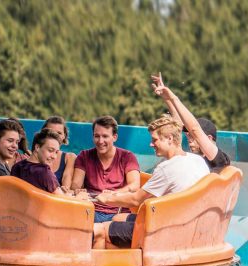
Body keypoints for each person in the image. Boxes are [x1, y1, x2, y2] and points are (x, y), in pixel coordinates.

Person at [92, 115, 210, 249]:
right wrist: (114, 195)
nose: (151, 144)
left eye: (155, 140)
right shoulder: (197, 160)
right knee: (117, 218)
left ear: (169, 139)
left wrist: (106, 199)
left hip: (165, 231)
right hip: (189, 225)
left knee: (99, 230)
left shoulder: (166, 168)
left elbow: (136, 200)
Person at [150, 73, 231, 172]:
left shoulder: (219, 160)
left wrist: (173, 98)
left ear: (209, 138)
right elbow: (178, 123)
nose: (188, 138)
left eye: (191, 136)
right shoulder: (195, 159)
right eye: (188, 135)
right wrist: (167, 98)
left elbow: (195, 129)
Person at [70, 116, 140, 222]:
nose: (100, 141)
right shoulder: (84, 156)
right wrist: (78, 191)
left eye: (105, 136)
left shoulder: (127, 156)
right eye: (96, 136)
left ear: (114, 137)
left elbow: (134, 186)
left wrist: (113, 194)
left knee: (139, 223)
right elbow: (75, 184)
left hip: (119, 212)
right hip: (90, 210)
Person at [11, 128, 84, 197]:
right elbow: (62, 201)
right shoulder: (44, 172)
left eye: (56, 152)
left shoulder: (16, 167)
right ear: (37, 147)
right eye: (50, 150)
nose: (54, 156)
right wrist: (79, 197)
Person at [40, 116, 77, 190]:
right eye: (51, 132)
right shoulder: (35, 155)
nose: (55, 136)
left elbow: (66, 185)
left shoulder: (70, 157)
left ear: (64, 136)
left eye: (59, 133)